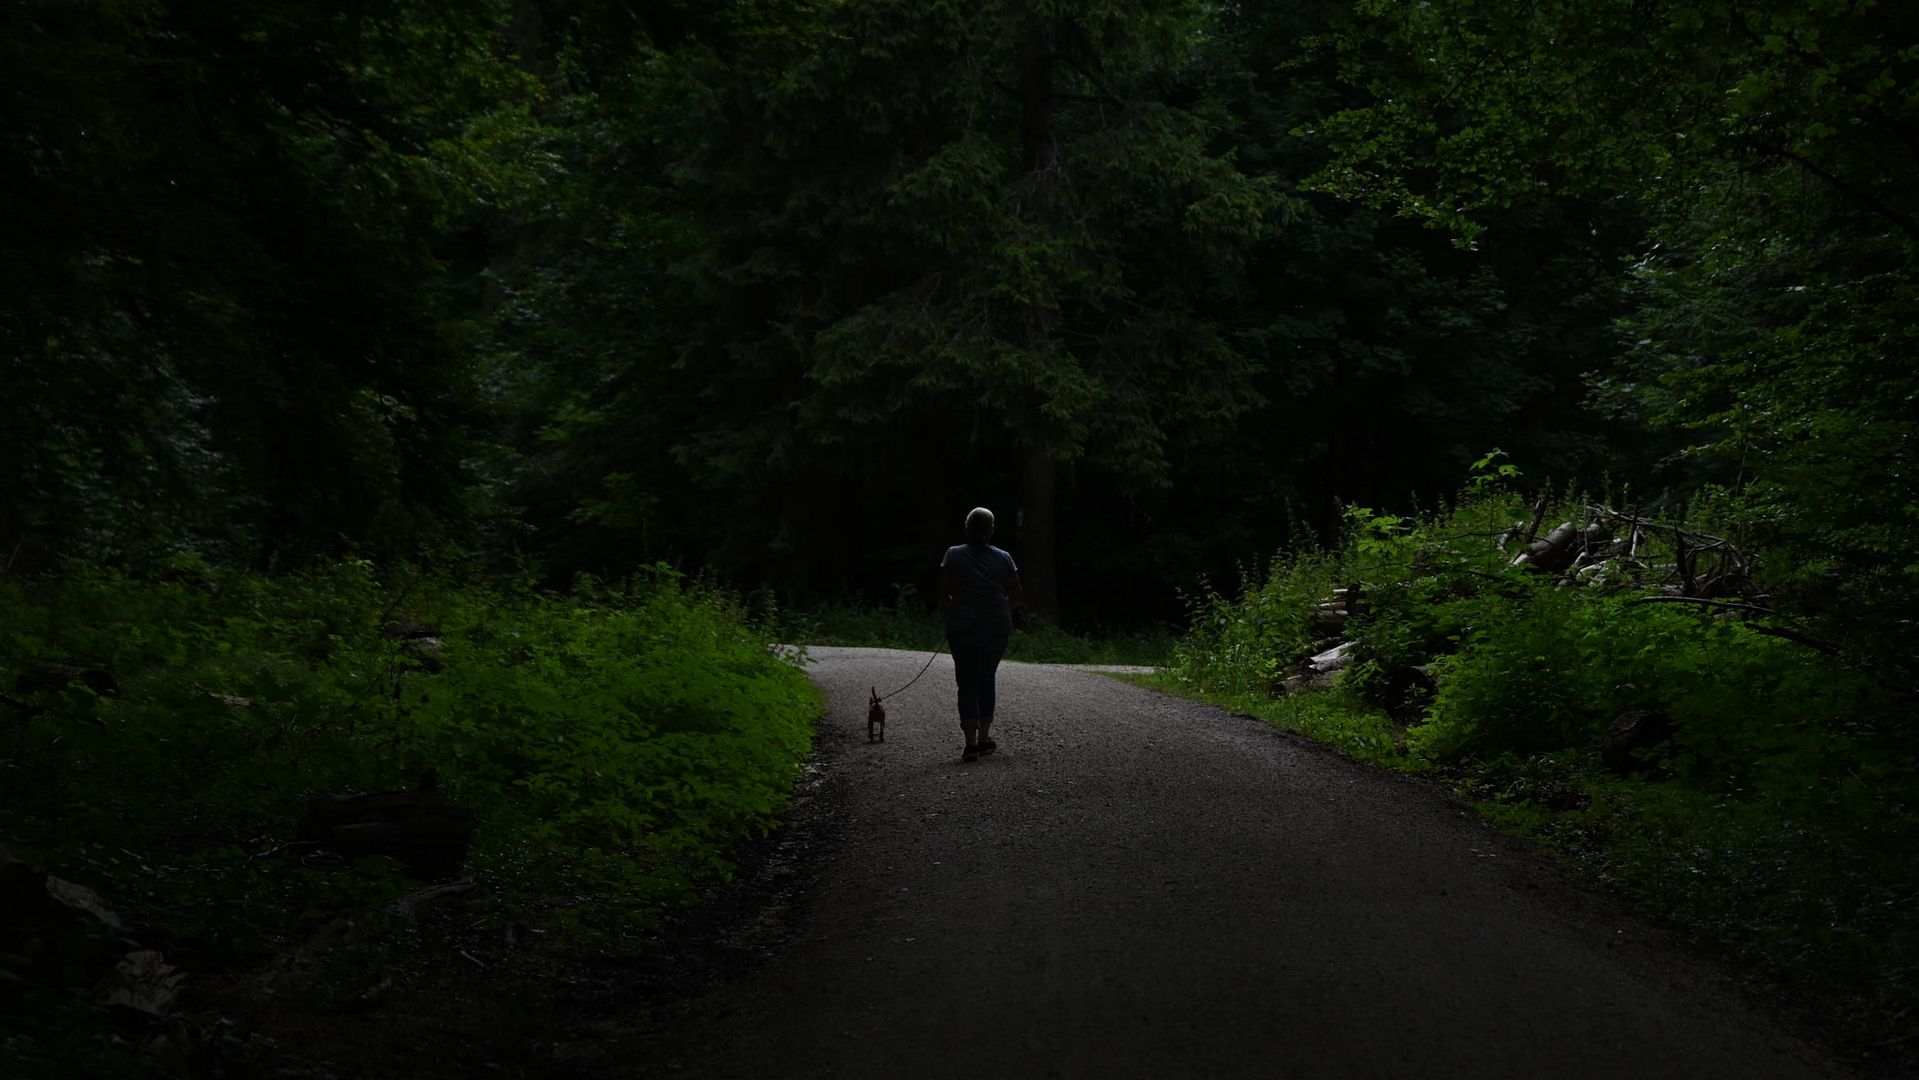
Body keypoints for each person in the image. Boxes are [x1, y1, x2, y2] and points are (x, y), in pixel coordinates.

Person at [938, 507, 1026, 763]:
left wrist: (956, 608)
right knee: (986, 677)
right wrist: (998, 607)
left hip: (962, 626)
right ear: (991, 530)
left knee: (966, 680)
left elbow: (943, 596)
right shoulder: (1005, 558)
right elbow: (1018, 596)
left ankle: (970, 744)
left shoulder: (952, 555)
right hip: (996, 627)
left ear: (966, 528)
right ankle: (985, 737)